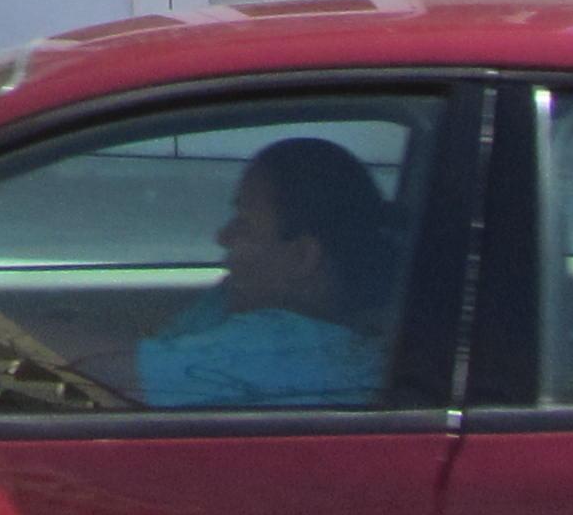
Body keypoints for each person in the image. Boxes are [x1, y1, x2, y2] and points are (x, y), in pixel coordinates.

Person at [135, 135, 396, 408]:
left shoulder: (291, 348)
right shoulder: (239, 295)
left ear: (302, 256)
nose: (223, 236)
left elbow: (111, 372)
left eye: (245, 223)